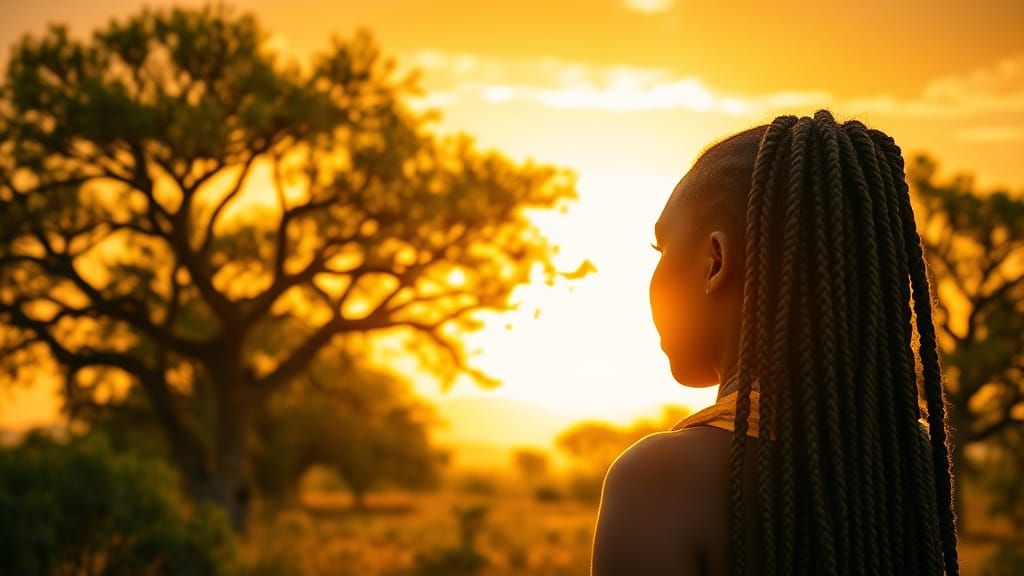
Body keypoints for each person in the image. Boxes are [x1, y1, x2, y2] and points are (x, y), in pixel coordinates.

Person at [590, 110, 959, 576]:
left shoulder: (659, 479)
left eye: (660, 250)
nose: (656, 272)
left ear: (714, 262)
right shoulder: (907, 461)